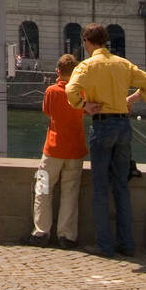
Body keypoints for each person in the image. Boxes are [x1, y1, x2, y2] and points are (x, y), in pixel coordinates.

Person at [65, 23, 146, 257]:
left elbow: (70, 91)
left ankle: (105, 246)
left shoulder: (87, 65)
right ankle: (127, 244)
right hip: (123, 125)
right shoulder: (122, 64)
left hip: (103, 124)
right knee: (120, 185)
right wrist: (132, 99)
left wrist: (84, 106)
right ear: (105, 41)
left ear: (87, 42)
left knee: (99, 187)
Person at [29, 54, 88, 249]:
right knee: (70, 193)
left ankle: (41, 232)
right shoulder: (81, 93)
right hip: (74, 149)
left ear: (57, 71)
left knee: (43, 189)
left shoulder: (51, 91)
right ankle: (67, 236)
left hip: (53, 148)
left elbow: (47, 112)